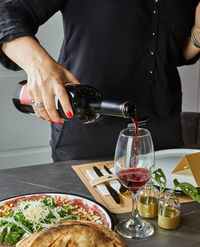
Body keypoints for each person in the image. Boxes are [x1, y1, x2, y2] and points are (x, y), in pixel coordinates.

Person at [0, 0, 200, 161]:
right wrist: (39, 66)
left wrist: (198, 33)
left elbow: (174, 53)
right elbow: (5, 12)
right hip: (88, 128)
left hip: (162, 128)